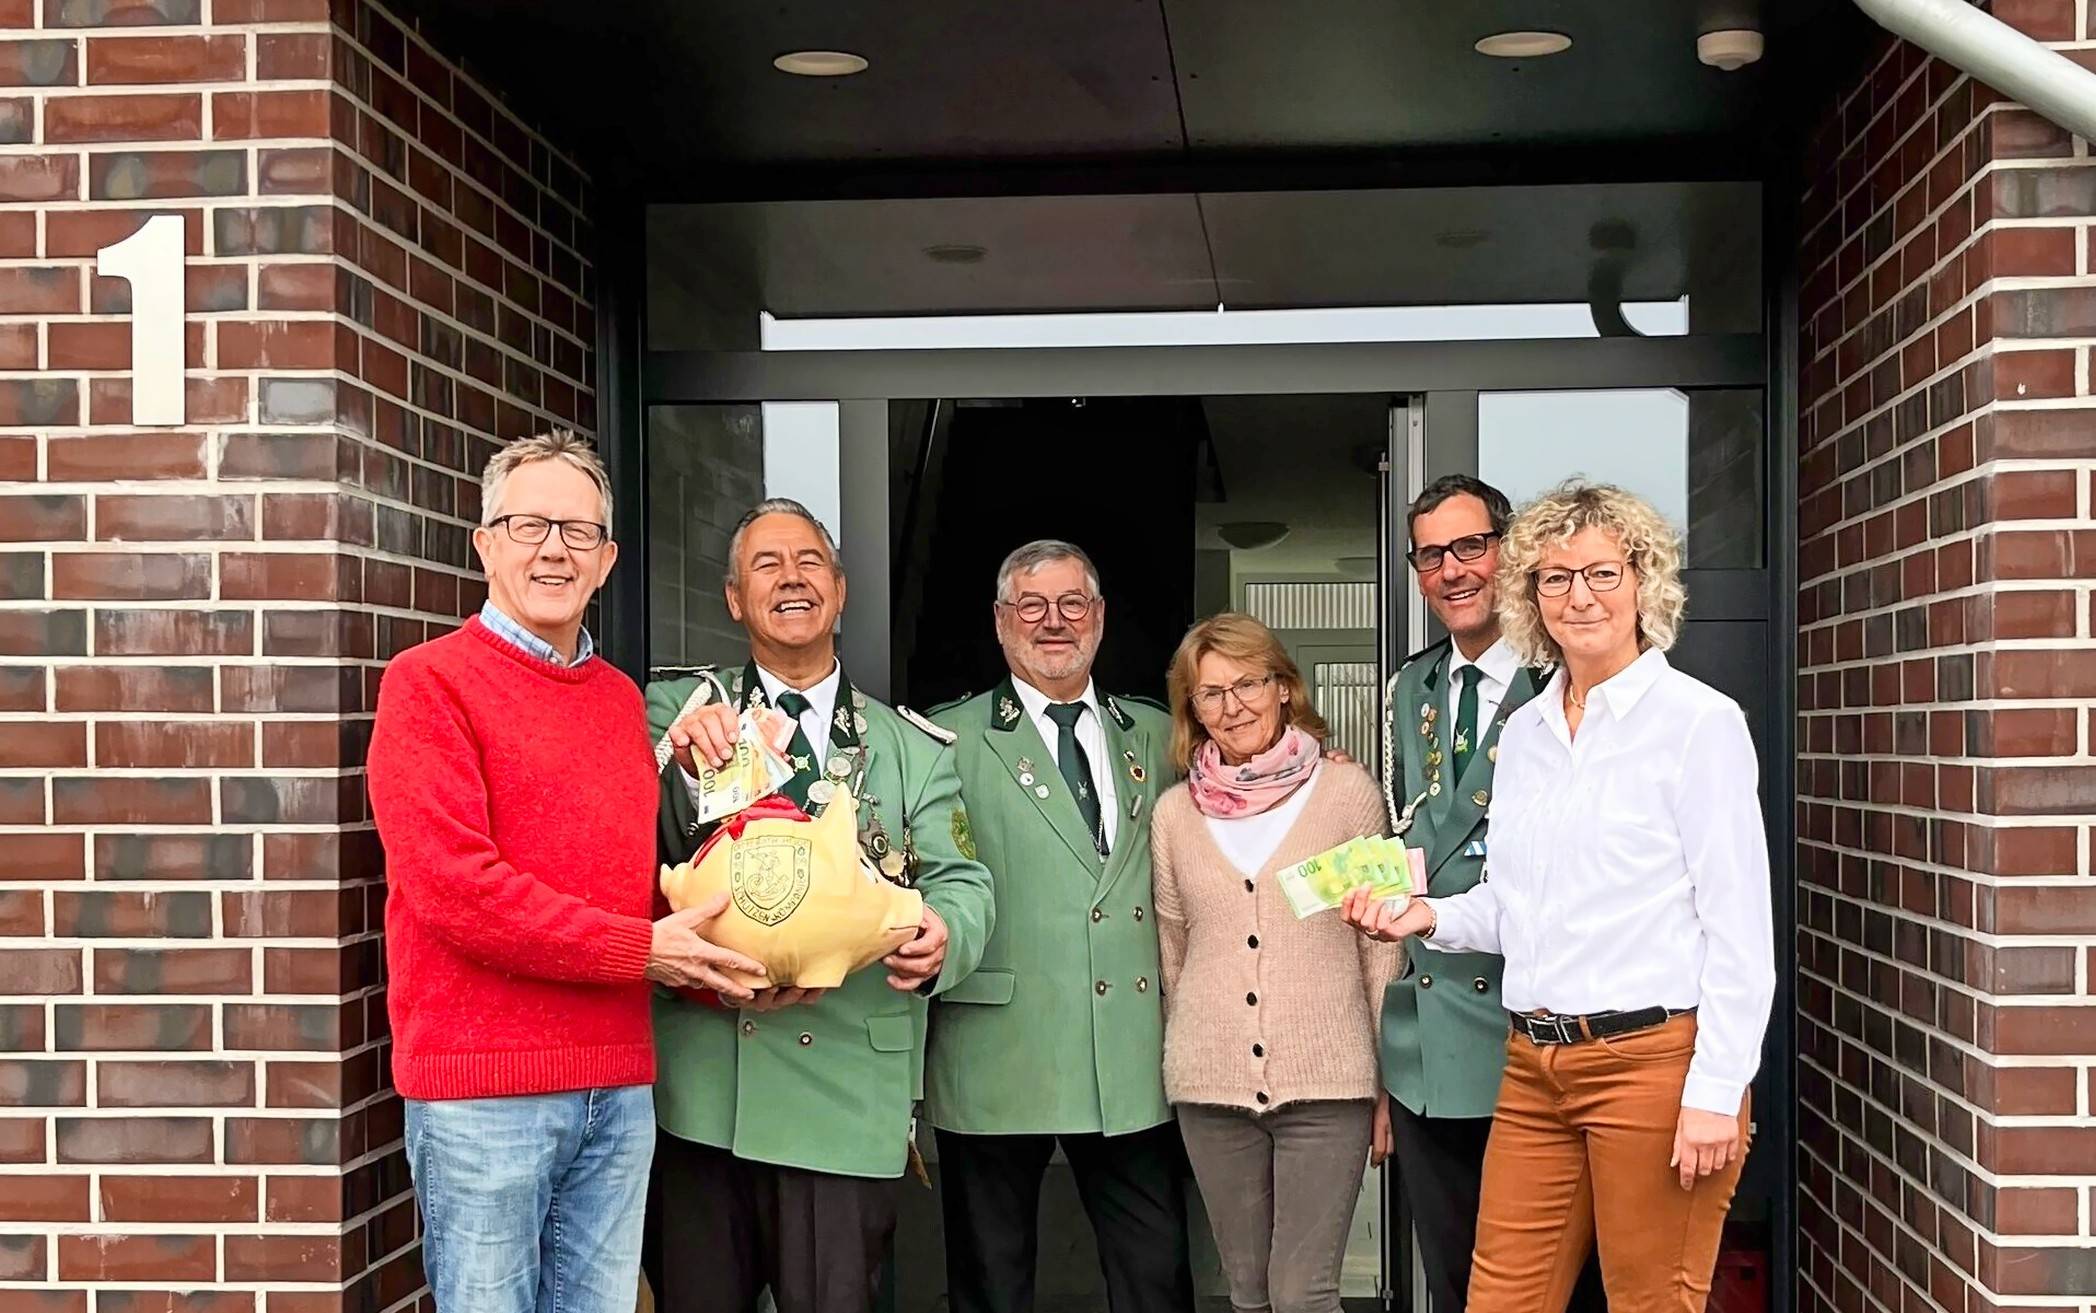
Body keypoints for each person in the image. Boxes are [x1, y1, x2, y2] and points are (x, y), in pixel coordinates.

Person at [1344, 481, 1775, 1313]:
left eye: (1602, 574)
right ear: (1531, 597)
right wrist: (1426, 914)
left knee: (1652, 1301)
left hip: (1650, 1065)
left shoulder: (1697, 723)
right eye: (1555, 578)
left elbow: (1739, 933)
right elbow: (1512, 901)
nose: (1579, 596)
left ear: (1644, 585)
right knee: (1500, 1300)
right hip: (1535, 1067)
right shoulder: (1531, 733)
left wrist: (1717, 1091)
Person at [367, 431, 763, 1313]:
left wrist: (719, 960)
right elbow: (458, 890)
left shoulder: (622, 700)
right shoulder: (429, 685)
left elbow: (633, 887)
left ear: (609, 557)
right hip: (484, 1097)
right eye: (529, 525)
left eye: (579, 531)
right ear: (485, 543)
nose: (554, 548)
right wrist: (645, 951)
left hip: (616, 1089)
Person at [642, 498, 996, 1313]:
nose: (790, 577)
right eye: (766, 564)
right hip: (707, 1087)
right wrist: (688, 771)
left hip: (845, 1090)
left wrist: (946, 935)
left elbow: (963, 879)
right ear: (734, 599)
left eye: (809, 562)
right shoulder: (677, 719)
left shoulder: (909, 747)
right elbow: (632, 858)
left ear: (839, 590)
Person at [925, 540, 1192, 1313]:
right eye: (1032, 606)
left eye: (1072, 603)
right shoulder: (948, 738)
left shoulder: (1154, 734)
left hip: (1128, 1051)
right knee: (991, 1282)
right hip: (998, 1049)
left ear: (1100, 617)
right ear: (1003, 622)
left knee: (1155, 1275)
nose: (1053, 622)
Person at [1373, 474, 1604, 1313]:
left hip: (1530, 1030)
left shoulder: (1567, 677)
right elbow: (1412, 837)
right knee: (1458, 1278)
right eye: (1432, 554)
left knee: (1563, 1288)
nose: (1453, 570)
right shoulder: (1412, 689)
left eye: (1470, 545)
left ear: (1508, 552)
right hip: (1429, 1036)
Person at [1150, 612, 1400, 1313]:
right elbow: (1174, 952)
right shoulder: (1173, 815)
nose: (1232, 707)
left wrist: (1386, 1080)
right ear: (1191, 709)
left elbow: (1382, 949)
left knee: (1303, 1291)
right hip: (1211, 1083)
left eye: (1249, 683)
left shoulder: (1349, 794)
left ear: (1284, 686)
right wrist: (1185, 1054)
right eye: (1210, 693)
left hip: (1330, 1085)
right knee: (1249, 1291)